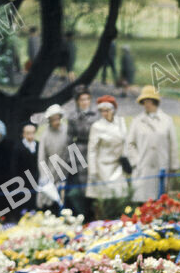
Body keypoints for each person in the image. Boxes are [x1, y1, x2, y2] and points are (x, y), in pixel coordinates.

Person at [126, 85, 178, 204]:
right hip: (143, 167)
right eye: (144, 101)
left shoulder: (167, 120)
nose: (147, 104)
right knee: (144, 201)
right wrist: (136, 162)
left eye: (149, 101)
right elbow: (130, 144)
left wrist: (173, 166)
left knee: (160, 199)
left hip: (162, 165)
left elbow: (173, 145)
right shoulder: (137, 121)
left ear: (155, 101)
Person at [86, 95, 129, 214]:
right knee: (103, 200)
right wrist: (93, 171)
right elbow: (92, 150)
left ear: (113, 110)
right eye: (102, 111)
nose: (105, 113)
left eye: (107, 110)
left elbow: (125, 141)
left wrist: (126, 160)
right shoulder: (97, 126)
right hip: (102, 167)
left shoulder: (121, 122)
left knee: (119, 197)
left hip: (117, 165)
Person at [66, 87, 98, 217]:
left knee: (94, 180)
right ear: (77, 101)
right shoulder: (73, 117)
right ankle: (81, 213)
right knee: (79, 184)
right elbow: (69, 138)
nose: (85, 102)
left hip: (94, 149)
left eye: (87, 99)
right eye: (82, 99)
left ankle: (94, 211)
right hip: (79, 149)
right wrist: (70, 158)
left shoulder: (96, 115)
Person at [37, 104, 69, 212]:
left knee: (66, 196)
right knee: (49, 198)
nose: (56, 121)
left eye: (57, 118)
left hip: (67, 169)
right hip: (50, 170)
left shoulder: (66, 130)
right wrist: (44, 176)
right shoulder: (45, 135)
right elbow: (41, 158)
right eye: (53, 119)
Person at [13, 123, 40, 215]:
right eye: (28, 133)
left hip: (36, 179)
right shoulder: (18, 147)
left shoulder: (38, 146)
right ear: (23, 134)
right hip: (22, 181)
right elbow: (14, 167)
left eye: (32, 133)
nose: (30, 136)